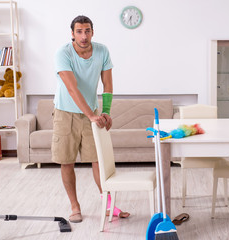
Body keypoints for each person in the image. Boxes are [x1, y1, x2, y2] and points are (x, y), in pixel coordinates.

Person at [52, 15, 130, 223]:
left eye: (87, 31)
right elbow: (71, 87)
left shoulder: (102, 51)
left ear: (92, 32)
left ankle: (109, 205)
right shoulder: (63, 53)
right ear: (72, 34)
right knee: (67, 161)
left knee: (99, 161)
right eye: (79, 31)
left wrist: (105, 111)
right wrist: (92, 115)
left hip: (92, 114)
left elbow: (108, 86)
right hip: (65, 114)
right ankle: (75, 206)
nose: (83, 36)